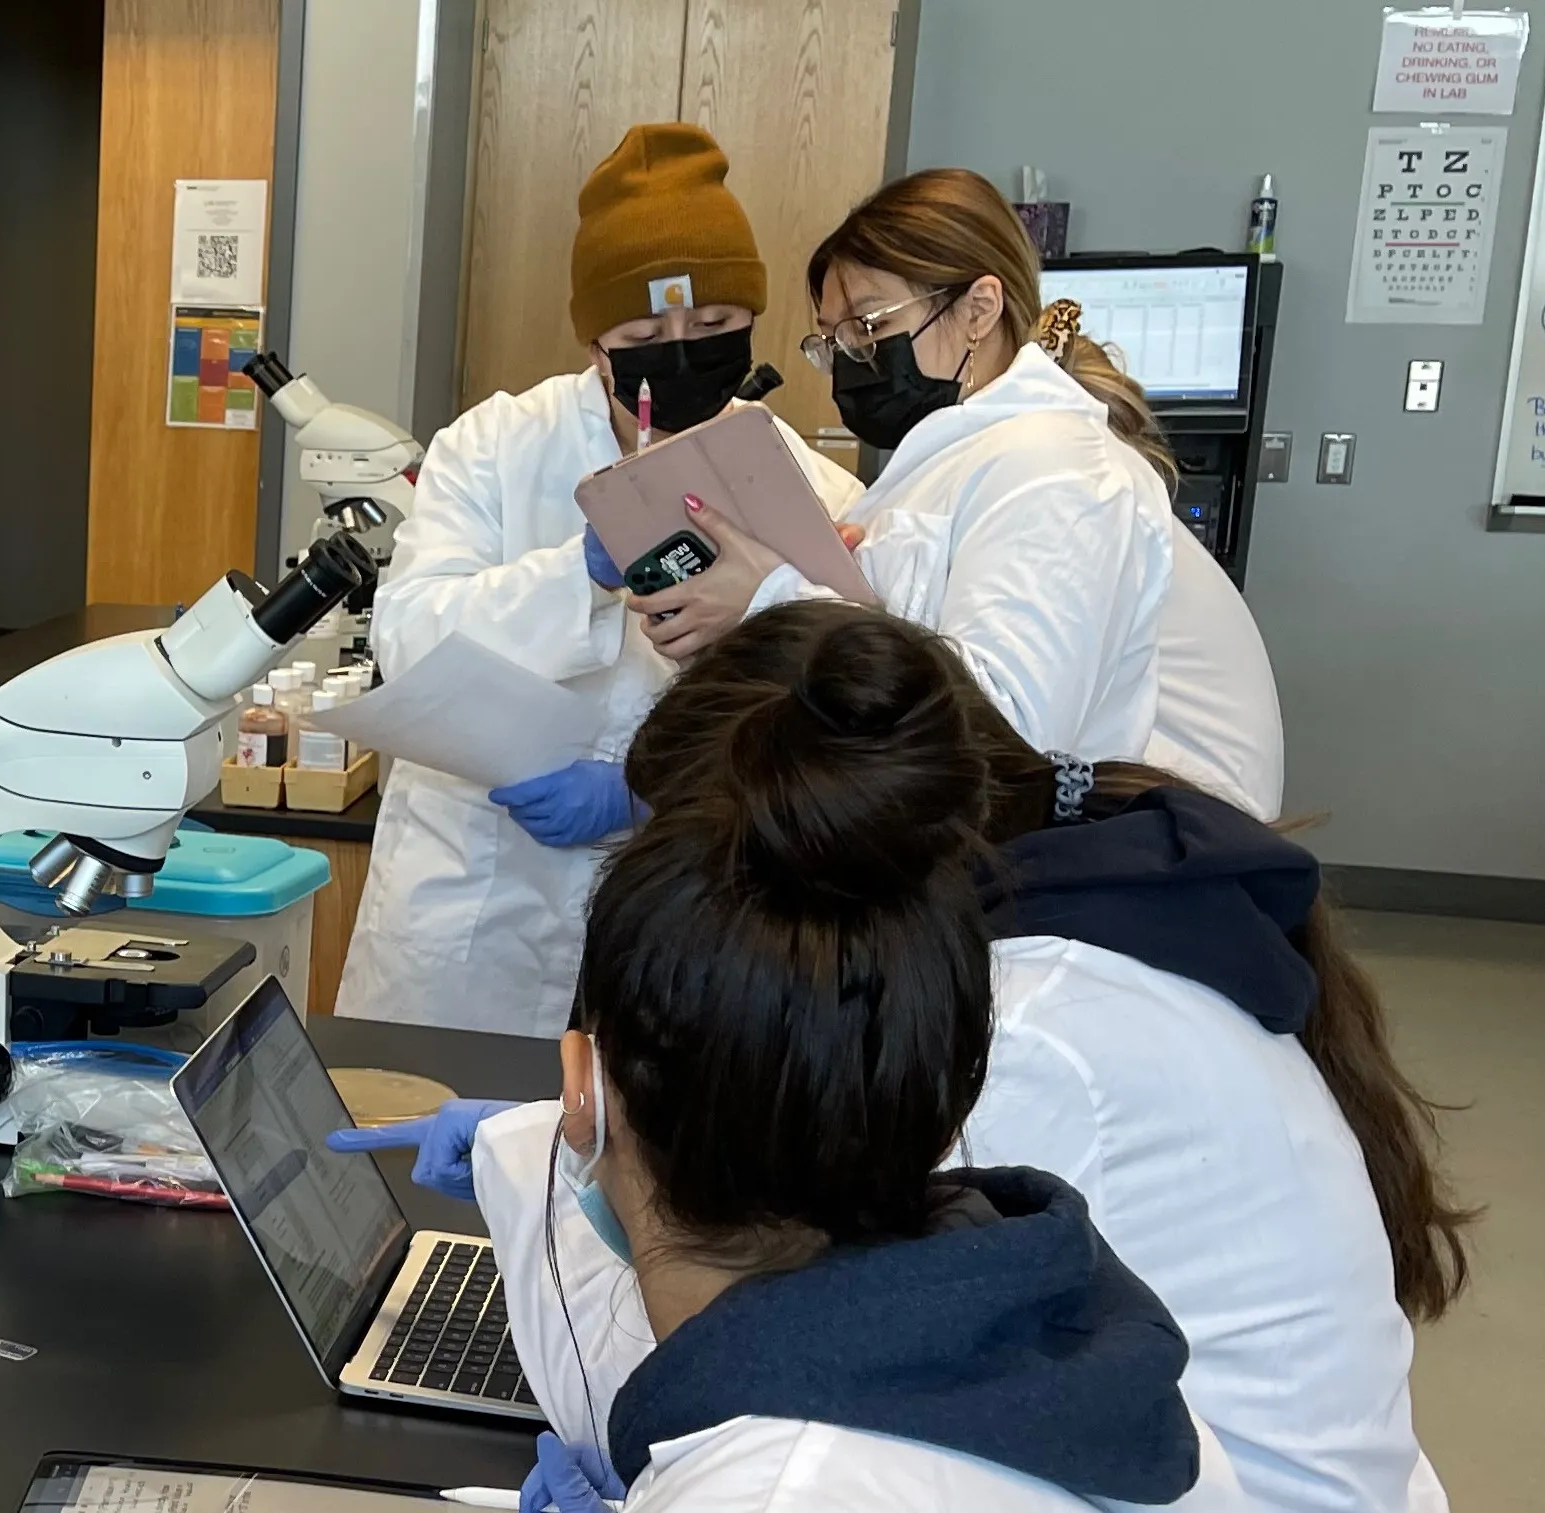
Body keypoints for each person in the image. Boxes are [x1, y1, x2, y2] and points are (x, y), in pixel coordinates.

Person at [353, 604, 1461, 1513]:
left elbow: (773, 1327)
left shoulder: (1018, 1027)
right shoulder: (1075, 918)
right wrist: (539, 1148)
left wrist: (575, 1164)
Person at [343, 123, 863, 1035]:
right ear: (594, 341)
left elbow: (839, 719)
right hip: (479, 901)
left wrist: (647, 792)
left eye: (711, 327)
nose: (679, 348)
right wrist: (575, 572)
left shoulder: (811, 489)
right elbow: (410, 640)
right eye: (643, 331)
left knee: (647, 1156)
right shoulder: (494, 448)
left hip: (694, 908)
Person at [629, 168, 1283, 817]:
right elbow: (903, 653)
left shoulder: (1058, 468)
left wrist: (773, 599)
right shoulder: (946, 465)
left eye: (867, 326)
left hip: (1077, 858)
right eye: (832, 340)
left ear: (978, 309)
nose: (850, 360)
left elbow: (1011, 733)